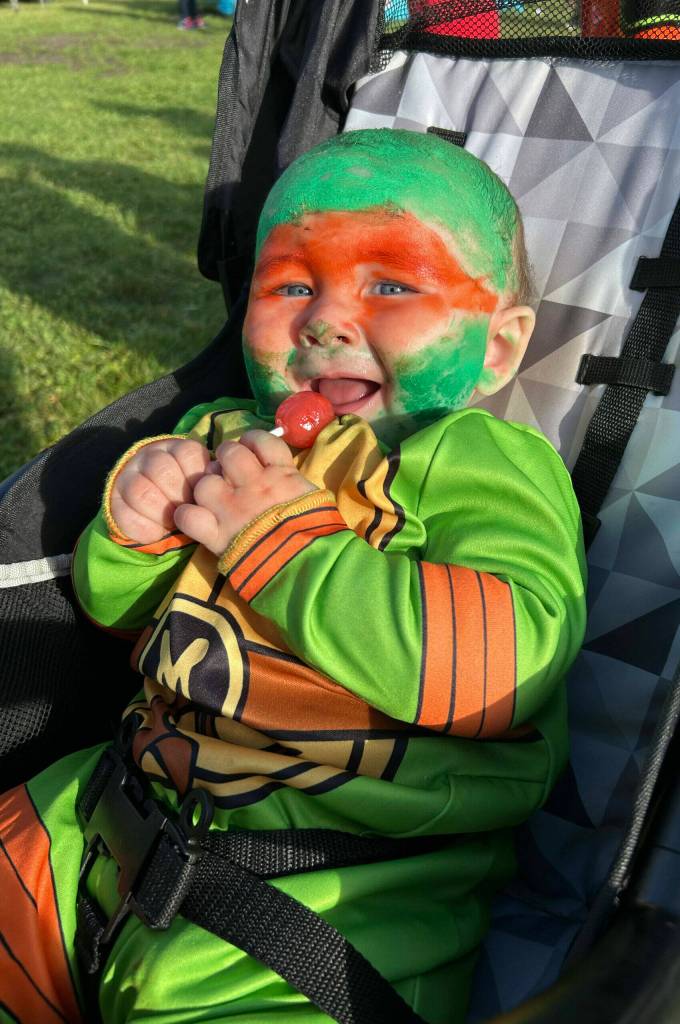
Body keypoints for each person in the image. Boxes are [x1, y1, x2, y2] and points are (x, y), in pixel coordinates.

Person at [0, 129, 586, 1024]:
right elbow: (119, 616)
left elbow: (509, 667)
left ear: (499, 349)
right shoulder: (224, 431)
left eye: (390, 285)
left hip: (337, 908)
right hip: (92, 824)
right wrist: (136, 533)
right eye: (291, 285)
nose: (325, 319)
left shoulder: (477, 455)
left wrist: (285, 547)